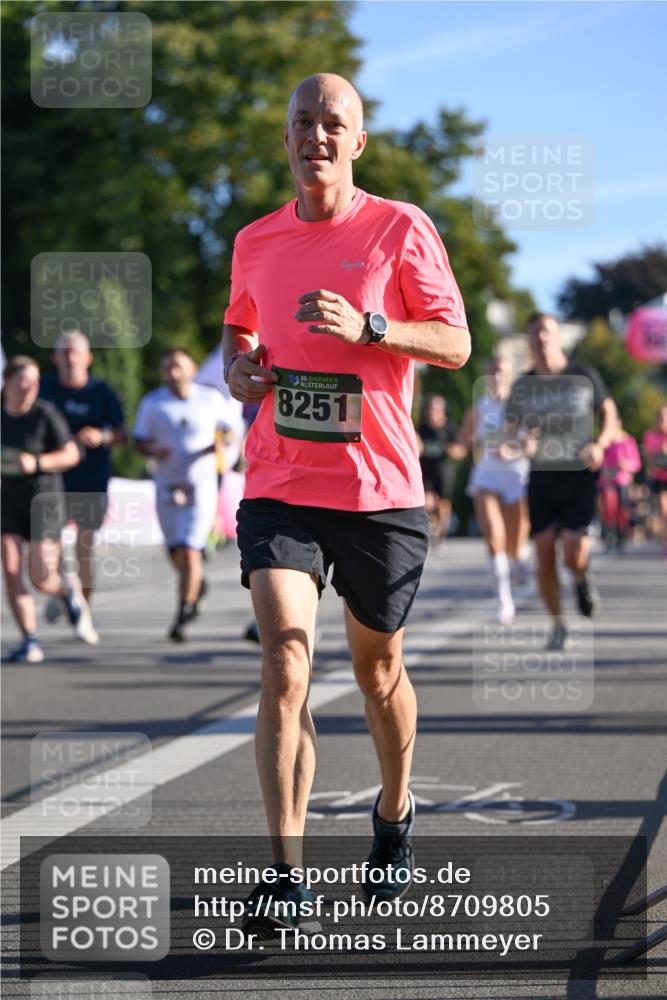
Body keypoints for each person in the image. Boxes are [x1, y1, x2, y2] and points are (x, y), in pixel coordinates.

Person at [222, 73, 470, 932]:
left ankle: (394, 811)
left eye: (333, 123)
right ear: (286, 137)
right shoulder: (254, 239)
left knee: (377, 673)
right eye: (302, 121)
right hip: (281, 480)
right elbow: (239, 323)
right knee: (284, 662)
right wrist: (237, 365)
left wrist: (373, 326)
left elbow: (454, 342)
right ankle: (285, 875)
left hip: (376, 490)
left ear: (356, 142)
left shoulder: (399, 228)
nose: (315, 136)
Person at [505, 313, 617, 650]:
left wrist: (601, 444)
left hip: (579, 475)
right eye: (535, 333)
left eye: (546, 331)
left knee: (572, 552)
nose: (541, 338)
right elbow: (511, 430)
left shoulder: (583, 375)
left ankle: (580, 577)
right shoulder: (523, 385)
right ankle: (558, 625)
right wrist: (522, 441)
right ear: (529, 340)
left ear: (557, 336)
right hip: (542, 476)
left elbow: (609, 413)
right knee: (543, 552)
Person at [133, 347, 230, 641]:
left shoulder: (210, 398)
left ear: (192, 368)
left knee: (190, 548)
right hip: (167, 485)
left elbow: (227, 431)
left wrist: (219, 445)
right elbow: (139, 441)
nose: (173, 373)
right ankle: (197, 585)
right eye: (168, 368)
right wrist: (153, 449)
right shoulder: (153, 403)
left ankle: (183, 613)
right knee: (175, 550)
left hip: (200, 486)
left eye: (178, 366)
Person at [1, 356, 93, 662]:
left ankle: (66, 591)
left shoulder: (45, 414)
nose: (30, 388)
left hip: (44, 498)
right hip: (7, 499)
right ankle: (30, 640)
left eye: (35, 382)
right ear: (8, 382)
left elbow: (72, 454)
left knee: (40, 578)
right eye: (23, 381)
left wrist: (37, 462)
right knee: (11, 570)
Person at [39, 331, 126, 641]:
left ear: (88, 357)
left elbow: (122, 434)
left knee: (84, 548)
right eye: (64, 352)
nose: (70, 357)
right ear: (55, 358)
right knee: (51, 547)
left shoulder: (101, 392)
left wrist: (102, 436)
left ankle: (83, 610)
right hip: (52, 479)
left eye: (76, 351)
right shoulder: (45, 389)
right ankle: (66, 592)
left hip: (91, 478)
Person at [457, 357, 530, 623]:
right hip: (487, 475)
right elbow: (463, 439)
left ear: (511, 377)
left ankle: (520, 559)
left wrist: (513, 449)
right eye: (494, 371)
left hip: (516, 476)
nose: (498, 377)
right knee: (494, 537)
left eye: (503, 372)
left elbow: (532, 443)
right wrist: (457, 447)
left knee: (516, 540)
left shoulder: (521, 407)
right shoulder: (479, 407)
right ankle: (504, 600)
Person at [416, 393, 461, 545]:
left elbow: (460, 449)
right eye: (429, 408)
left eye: (435, 409)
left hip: (444, 472)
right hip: (425, 470)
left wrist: (453, 450)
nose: (431, 412)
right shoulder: (422, 429)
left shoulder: (449, 429)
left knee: (443, 504)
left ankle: (441, 534)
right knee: (425, 501)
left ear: (442, 411)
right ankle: (432, 524)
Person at [598, 417, 641, 550]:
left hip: (622, 480)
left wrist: (625, 464)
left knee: (622, 508)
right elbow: (599, 460)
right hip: (607, 481)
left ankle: (620, 535)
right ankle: (608, 534)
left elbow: (636, 463)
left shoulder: (627, 441)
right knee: (608, 508)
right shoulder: (603, 442)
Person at [642, 404, 667, 555]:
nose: (662, 420)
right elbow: (649, 459)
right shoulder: (650, 435)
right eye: (660, 417)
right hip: (659, 478)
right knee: (664, 510)